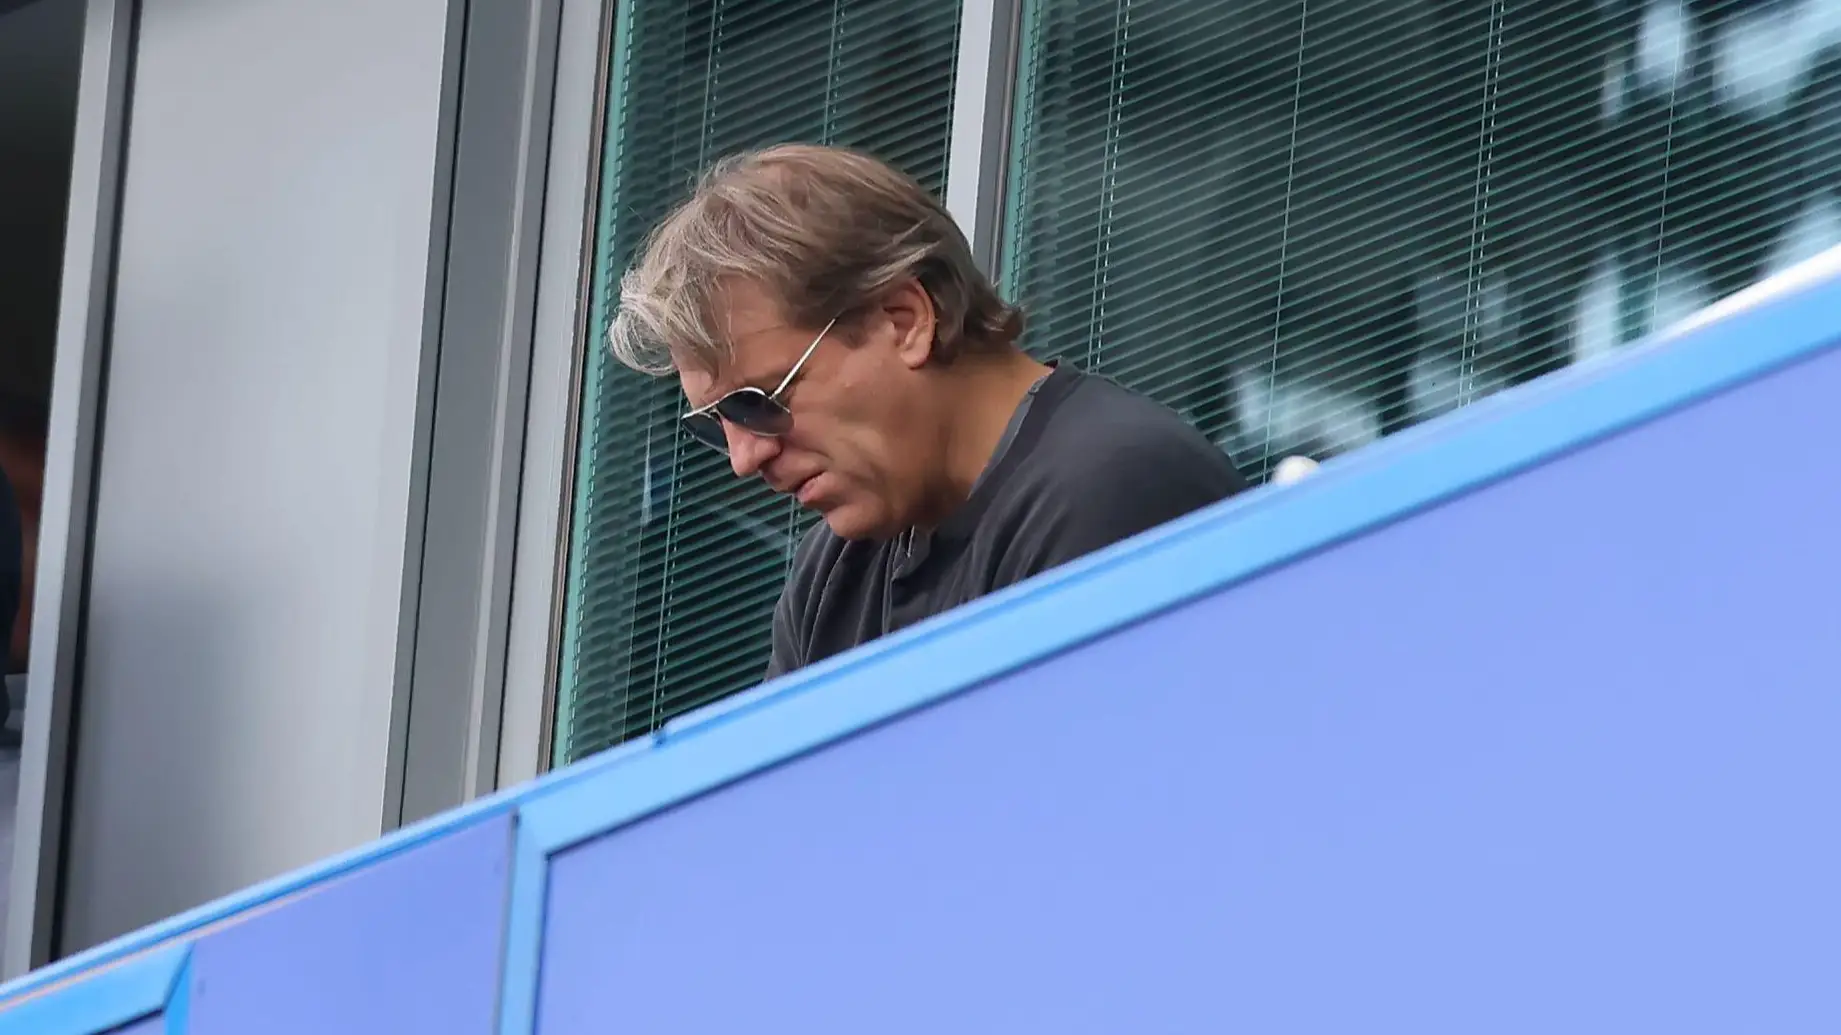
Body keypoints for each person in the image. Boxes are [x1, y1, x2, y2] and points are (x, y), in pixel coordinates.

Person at [607, 144, 1248, 679]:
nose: (746, 459)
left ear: (904, 320)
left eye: (758, 401)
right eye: (717, 423)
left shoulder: (1115, 489)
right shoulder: (831, 575)